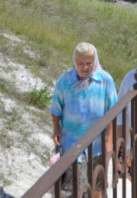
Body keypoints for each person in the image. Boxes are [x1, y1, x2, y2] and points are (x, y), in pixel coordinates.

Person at [50, 43, 118, 195]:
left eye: (89, 63)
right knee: (73, 188)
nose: (85, 67)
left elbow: (112, 111)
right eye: (81, 63)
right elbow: (55, 108)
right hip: (71, 143)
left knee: (97, 185)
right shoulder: (65, 81)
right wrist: (56, 130)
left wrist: (109, 141)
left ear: (95, 61)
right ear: (75, 62)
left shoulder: (105, 80)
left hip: (97, 144)